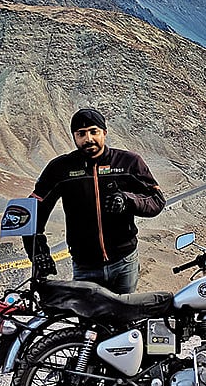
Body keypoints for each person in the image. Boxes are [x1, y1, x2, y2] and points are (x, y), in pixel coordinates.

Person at [25, 108, 165, 294]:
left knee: (122, 320)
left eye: (94, 131)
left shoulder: (128, 162)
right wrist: (38, 253)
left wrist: (127, 200)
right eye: (81, 134)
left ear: (104, 133)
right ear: (73, 136)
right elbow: (32, 213)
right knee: (87, 323)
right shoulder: (60, 169)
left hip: (124, 262)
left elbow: (156, 200)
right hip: (85, 267)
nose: (88, 139)